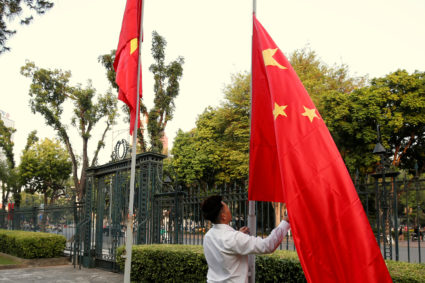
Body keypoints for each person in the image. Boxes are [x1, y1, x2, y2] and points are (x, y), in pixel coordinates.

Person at [201, 195, 290, 283]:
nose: (230, 210)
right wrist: (286, 221)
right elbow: (267, 245)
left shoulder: (208, 236)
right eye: (227, 208)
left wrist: (238, 234)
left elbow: (225, 247)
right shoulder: (234, 238)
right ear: (223, 216)